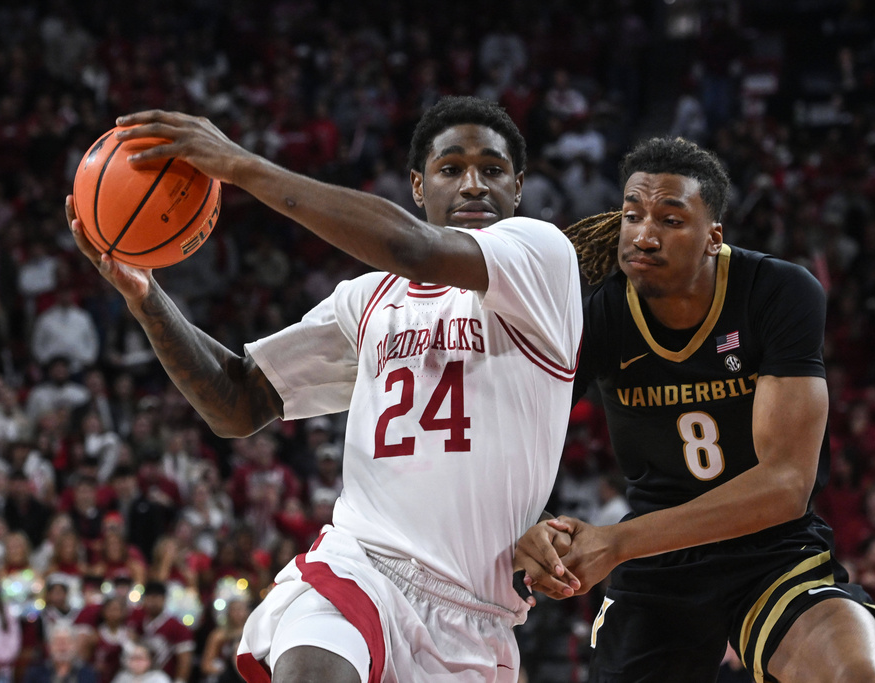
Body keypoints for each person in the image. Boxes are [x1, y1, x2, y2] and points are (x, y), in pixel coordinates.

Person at [65, 95, 582, 683]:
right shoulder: (367, 300)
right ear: (417, 187)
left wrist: (241, 166)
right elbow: (239, 403)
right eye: (450, 168)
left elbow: (413, 248)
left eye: (492, 169)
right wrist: (147, 298)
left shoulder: (543, 259)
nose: (473, 184)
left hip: (473, 614)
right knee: (311, 666)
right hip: (361, 566)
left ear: (519, 186)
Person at [513, 137, 875, 682]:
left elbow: (786, 486)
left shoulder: (777, 291)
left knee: (856, 675)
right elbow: (513, 433)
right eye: (633, 215)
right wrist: (532, 526)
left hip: (770, 549)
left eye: (671, 220)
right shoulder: (598, 315)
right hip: (659, 565)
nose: (644, 235)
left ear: (712, 237)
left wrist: (616, 542)